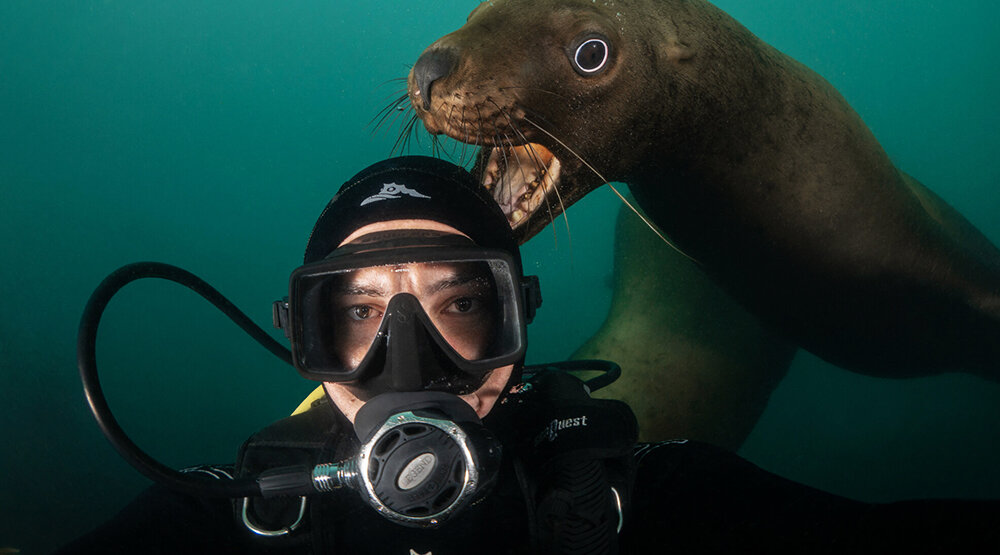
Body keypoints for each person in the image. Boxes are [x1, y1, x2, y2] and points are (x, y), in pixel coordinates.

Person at [56, 156, 999, 554]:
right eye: (354, 315)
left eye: (464, 303)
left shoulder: (649, 497)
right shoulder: (230, 519)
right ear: (304, 341)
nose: (407, 356)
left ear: (520, 326)